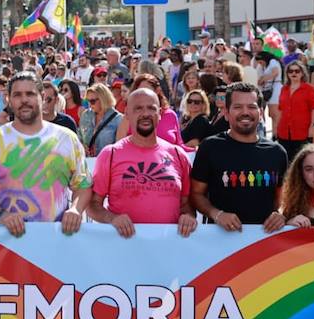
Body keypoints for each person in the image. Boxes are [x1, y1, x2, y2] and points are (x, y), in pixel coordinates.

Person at [0, 71, 89, 237]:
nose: (24, 100)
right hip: (8, 242)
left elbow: (83, 185)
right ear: (8, 99)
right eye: (17, 95)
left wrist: (76, 209)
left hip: (57, 238)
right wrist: (0, 214)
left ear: (42, 96)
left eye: (30, 94)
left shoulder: (66, 138)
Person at [88, 88, 196, 237]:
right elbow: (92, 205)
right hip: (123, 247)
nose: (145, 114)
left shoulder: (178, 155)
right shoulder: (110, 154)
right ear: (127, 113)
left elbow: (187, 205)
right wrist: (112, 219)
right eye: (138, 108)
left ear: (159, 114)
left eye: (151, 108)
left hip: (168, 249)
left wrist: (188, 217)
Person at [189, 83, 288, 231]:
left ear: (261, 113)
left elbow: (283, 199)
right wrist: (217, 214)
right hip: (219, 240)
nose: (245, 112)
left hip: (264, 241)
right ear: (227, 113)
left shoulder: (277, 152)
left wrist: (280, 214)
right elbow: (196, 194)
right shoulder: (210, 147)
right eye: (238, 107)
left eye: (252, 107)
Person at [275, 59, 314, 161]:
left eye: (297, 71)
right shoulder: (284, 89)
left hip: (302, 131)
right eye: (290, 71)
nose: (294, 73)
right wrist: (276, 127)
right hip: (284, 131)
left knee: (301, 160)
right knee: (286, 160)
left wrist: (313, 126)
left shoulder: (308, 89)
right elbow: (280, 109)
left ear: (302, 73)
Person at [82, 83, 123, 157]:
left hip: (107, 163)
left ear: (103, 100)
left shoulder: (118, 119)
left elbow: (120, 148)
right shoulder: (86, 115)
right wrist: (82, 146)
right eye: (87, 101)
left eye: (92, 101)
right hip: (88, 162)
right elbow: (80, 137)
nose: (90, 105)